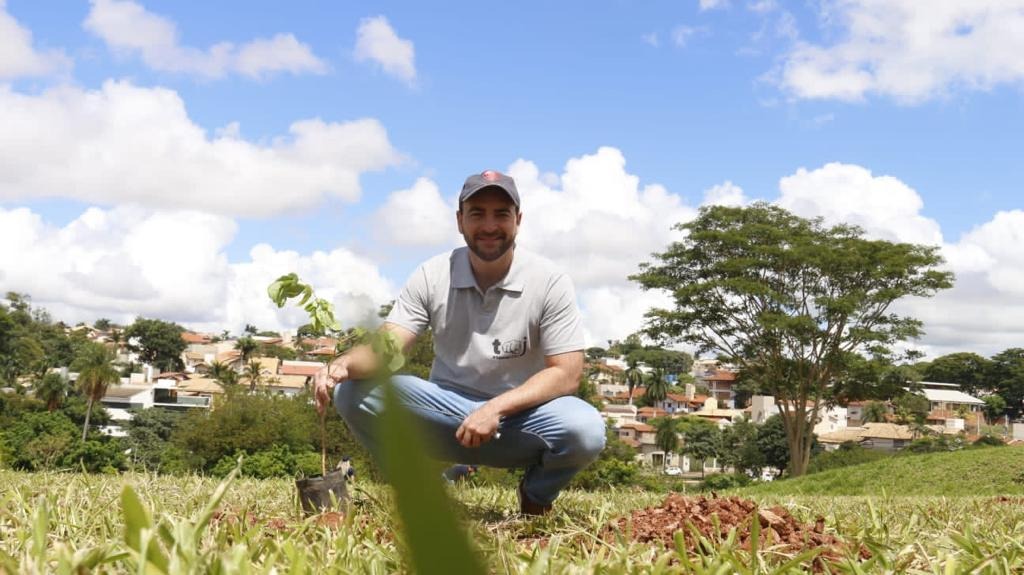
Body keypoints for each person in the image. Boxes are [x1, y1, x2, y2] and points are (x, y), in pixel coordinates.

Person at [313, 169, 606, 516]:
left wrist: (496, 409)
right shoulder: (433, 274)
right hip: (444, 417)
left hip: (518, 423)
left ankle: (535, 496)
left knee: (585, 428)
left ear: (518, 220)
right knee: (354, 392)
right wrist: (343, 364)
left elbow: (567, 374)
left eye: (501, 213)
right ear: (460, 221)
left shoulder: (550, 281)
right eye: (477, 214)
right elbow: (389, 346)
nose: (489, 225)